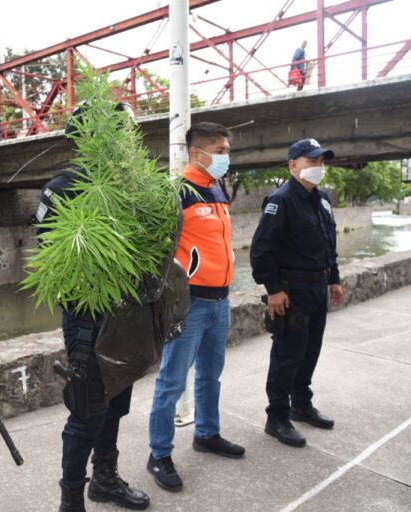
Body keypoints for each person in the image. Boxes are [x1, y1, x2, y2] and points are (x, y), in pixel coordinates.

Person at [34, 102, 152, 512]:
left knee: (116, 403)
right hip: (88, 317)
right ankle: (71, 497)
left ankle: (105, 478)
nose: (126, 144)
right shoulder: (64, 187)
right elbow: (51, 259)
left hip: (127, 315)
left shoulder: (134, 187)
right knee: (87, 409)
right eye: (118, 134)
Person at [147, 122, 245, 493]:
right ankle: (159, 454)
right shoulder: (177, 192)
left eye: (226, 151)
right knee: (172, 381)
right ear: (196, 153)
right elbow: (156, 251)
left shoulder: (217, 191)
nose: (225, 157)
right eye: (219, 151)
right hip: (190, 305)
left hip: (221, 300)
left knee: (210, 375)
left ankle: (207, 433)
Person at [249, 138, 344, 448]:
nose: (318, 167)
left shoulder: (323, 199)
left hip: (318, 286)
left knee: (310, 352)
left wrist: (334, 278)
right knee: (287, 356)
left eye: (321, 162)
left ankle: (300, 404)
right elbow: (262, 250)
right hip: (292, 291)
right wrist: (273, 290)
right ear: (293, 165)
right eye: (311, 161)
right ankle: (276, 417)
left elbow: (329, 244)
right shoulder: (281, 200)